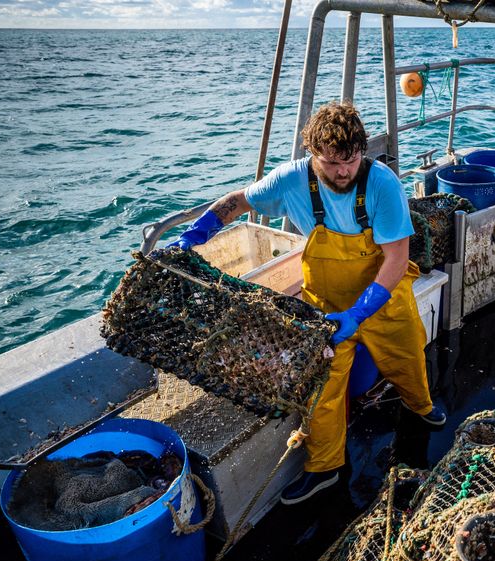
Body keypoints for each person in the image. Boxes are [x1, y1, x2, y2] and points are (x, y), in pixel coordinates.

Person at [167, 101, 445, 504]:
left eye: (349, 160)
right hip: (326, 306)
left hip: (384, 295)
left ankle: (420, 405)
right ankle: (326, 468)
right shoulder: (291, 180)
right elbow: (240, 200)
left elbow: (397, 259)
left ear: (361, 152)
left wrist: (358, 313)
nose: (342, 171)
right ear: (312, 154)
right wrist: (198, 232)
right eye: (330, 162)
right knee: (324, 386)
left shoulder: (382, 184)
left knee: (407, 354)